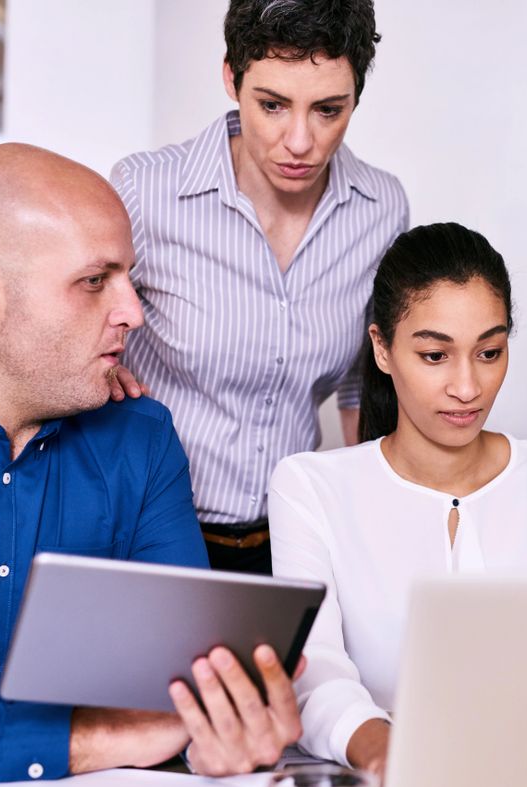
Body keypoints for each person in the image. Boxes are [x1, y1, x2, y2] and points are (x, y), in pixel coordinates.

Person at [0, 143, 302, 783]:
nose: (134, 313)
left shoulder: (143, 442)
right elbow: (140, 728)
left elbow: (177, 697)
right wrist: (94, 739)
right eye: (95, 281)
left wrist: (214, 737)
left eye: (130, 278)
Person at [269, 223, 527, 778]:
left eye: (490, 351)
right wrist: (389, 755)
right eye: (434, 355)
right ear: (382, 349)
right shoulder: (309, 487)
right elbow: (314, 672)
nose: (467, 386)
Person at [110, 0, 408, 575]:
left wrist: (369, 524)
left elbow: (359, 382)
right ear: (231, 77)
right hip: (148, 527)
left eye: (328, 109)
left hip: (293, 532)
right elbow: (78, 326)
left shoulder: (381, 208)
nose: (300, 141)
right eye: (272, 105)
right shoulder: (146, 191)